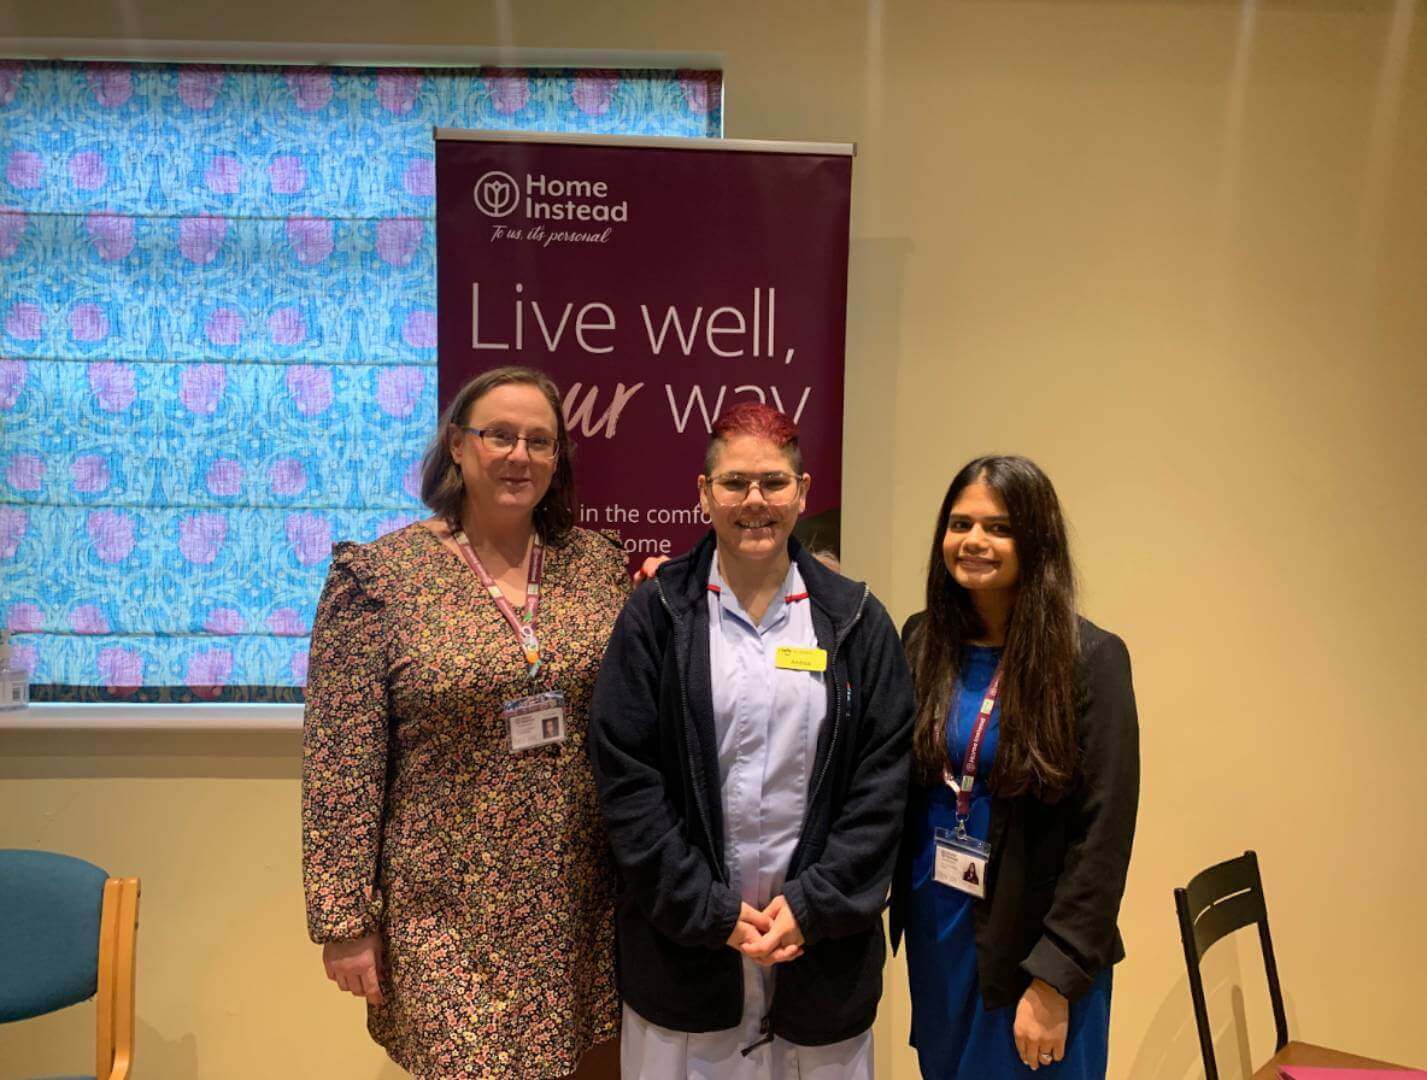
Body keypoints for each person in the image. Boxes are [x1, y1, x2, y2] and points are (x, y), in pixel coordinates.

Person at [302, 365, 630, 1078]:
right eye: (499, 436)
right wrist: (344, 921)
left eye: (539, 441)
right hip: (442, 905)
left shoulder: (597, 566)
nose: (519, 456)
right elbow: (340, 764)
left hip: (575, 894)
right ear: (457, 444)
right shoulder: (379, 579)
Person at [588, 402, 916, 1079]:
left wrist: (811, 906)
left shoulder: (854, 619)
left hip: (819, 955)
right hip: (685, 953)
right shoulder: (657, 614)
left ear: (803, 491)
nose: (754, 501)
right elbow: (626, 778)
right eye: (734, 483)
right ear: (702, 495)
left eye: (772, 482)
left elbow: (881, 786)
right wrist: (703, 909)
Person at [891, 455, 1140, 1077]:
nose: (973, 541)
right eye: (959, 523)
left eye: (998, 527)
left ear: (1037, 539)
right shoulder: (922, 641)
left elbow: (1104, 835)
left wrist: (1055, 978)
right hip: (940, 928)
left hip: (1035, 944)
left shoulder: (1090, 658)